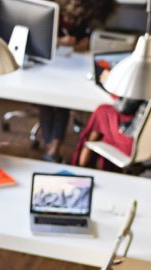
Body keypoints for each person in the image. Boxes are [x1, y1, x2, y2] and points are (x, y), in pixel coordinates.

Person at [72, 22, 151, 169]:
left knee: (102, 112)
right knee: (104, 115)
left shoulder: (146, 74)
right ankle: (91, 165)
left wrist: (108, 83)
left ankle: (83, 166)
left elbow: (125, 107)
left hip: (136, 140)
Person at [36, 0, 116, 162]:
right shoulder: (52, 7)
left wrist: (84, 42)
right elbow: (40, 32)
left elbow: (90, 35)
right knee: (45, 99)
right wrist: (58, 41)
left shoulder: (94, 9)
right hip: (51, 60)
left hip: (76, 62)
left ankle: (54, 148)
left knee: (62, 102)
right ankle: (50, 147)